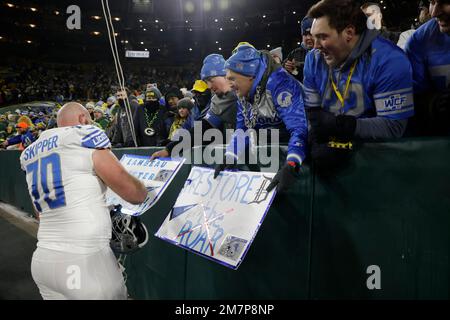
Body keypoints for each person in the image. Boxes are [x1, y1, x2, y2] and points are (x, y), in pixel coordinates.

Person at [19, 102, 147, 300]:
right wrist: (144, 187)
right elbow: (135, 194)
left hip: (43, 260)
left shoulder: (32, 152)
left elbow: (40, 212)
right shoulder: (83, 137)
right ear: (82, 119)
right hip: (83, 261)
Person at [303, 0, 414, 171]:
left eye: (323, 37)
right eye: (314, 36)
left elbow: (394, 126)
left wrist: (344, 127)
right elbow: (313, 114)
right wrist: (315, 137)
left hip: (380, 163)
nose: (316, 46)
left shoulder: (389, 60)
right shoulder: (313, 60)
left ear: (349, 32)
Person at [214, 44, 308, 193]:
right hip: (275, 147)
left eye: (232, 79)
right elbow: (242, 129)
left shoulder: (280, 82)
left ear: (249, 75)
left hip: (305, 147)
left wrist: (292, 162)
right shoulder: (243, 93)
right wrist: (230, 155)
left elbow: (299, 127)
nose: (230, 85)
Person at [151, 53, 237, 160]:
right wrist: (170, 149)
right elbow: (202, 129)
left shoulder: (247, 94)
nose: (209, 86)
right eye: (206, 82)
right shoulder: (218, 100)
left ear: (225, 75)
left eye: (211, 80)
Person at [405, 0, 450, 135]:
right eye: (432, 1)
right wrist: (434, 103)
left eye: (445, 2)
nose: (434, 12)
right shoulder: (419, 40)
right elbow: (411, 101)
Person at [283, 16, 315, 82]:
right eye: (305, 34)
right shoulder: (294, 53)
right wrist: (287, 69)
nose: (308, 37)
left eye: (311, 34)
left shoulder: (325, 52)